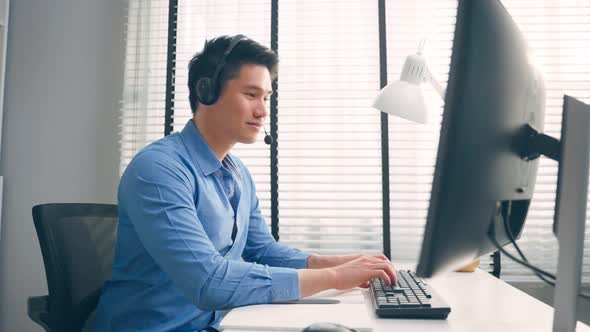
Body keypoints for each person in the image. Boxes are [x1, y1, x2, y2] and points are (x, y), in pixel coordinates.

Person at [94, 35, 397, 332]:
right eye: (251, 95)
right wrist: (334, 276)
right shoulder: (159, 170)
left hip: (217, 324)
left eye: (266, 97)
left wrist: (335, 263)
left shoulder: (237, 173)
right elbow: (209, 282)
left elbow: (261, 251)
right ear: (206, 91)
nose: (264, 110)